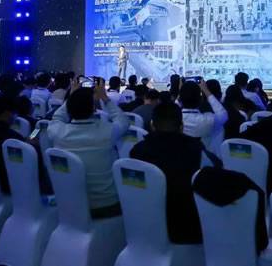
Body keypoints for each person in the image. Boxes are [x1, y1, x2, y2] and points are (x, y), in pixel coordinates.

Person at [130, 102, 221, 244]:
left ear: (152, 125)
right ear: (181, 127)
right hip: (185, 228)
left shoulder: (137, 150)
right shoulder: (195, 149)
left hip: (145, 224)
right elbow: (215, 169)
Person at [48, 78, 130, 218]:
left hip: (69, 205)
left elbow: (57, 117)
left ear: (69, 108)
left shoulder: (57, 132)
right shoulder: (107, 132)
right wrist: (105, 98)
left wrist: (72, 96)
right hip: (106, 205)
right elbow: (123, 120)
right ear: (94, 108)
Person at [178, 80, 227, 153]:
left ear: (180, 99)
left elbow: (174, 107)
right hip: (205, 158)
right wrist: (206, 90)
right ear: (200, 100)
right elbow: (223, 115)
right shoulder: (208, 120)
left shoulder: (174, 119)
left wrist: (180, 92)